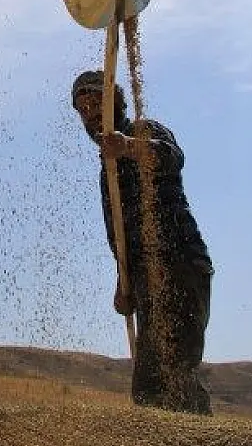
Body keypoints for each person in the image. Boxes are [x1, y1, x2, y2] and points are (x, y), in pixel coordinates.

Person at [71, 69, 214, 414]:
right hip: (148, 278)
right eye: (83, 108)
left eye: (95, 101)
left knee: (166, 376)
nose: (90, 113)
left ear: (115, 100)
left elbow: (172, 157)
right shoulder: (106, 171)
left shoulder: (142, 130)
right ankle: (193, 445)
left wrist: (128, 146)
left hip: (179, 264)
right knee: (159, 380)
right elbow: (123, 232)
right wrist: (126, 281)